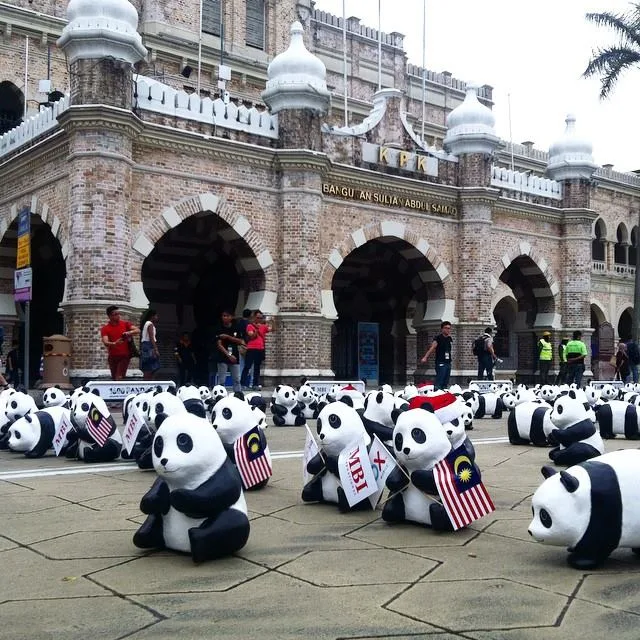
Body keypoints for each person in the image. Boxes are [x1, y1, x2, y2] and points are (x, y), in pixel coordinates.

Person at [100, 305, 140, 381]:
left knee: (119, 377)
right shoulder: (105, 328)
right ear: (110, 316)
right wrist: (115, 343)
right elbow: (105, 342)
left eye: (118, 313)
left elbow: (137, 330)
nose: (118, 316)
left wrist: (128, 332)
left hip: (124, 356)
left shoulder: (125, 324)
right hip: (112, 357)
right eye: (115, 314)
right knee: (114, 378)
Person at [241, 309, 275, 391]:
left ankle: (255, 384)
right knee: (247, 366)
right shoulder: (250, 326)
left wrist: (273, 322)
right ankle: (243, 384)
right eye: (258, 317)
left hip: (260, 349)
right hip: (251, 348)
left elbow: (272, 329)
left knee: (257, 367)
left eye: (261, 318)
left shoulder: (263, 326)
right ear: (254, 317)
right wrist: (257, 329)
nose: (259, 319)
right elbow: (252, 336)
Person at [211, 310, 244, 393]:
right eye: (223, 316)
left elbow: (241, 341)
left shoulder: (236, 327)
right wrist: (229, 355)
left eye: (227, 316)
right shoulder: (219, 328)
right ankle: (220, 395)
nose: (225, 318)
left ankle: (238, 394)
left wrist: (228, 337)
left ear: (231, 317)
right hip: (223, 356)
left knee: (236, 379)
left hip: (235, 356)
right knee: (221, 380)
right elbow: (219, 345)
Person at [420, 321, 453, 390]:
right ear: (442, 329)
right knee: (439, 381)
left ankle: (444, 393)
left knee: (445, 382)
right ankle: (437, 392)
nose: (448, 330)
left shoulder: (449, 339)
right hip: (441, 362)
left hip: (448, 362)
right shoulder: (438, 338)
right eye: (446, 328)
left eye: (449, 328)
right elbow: (432, 348)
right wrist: (425, 357)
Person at [139, 308, 161, 381]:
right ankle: (149, 382)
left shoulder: (146, 323)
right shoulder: (150, 324)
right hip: (149, 345)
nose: (157, 317)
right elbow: (151, 337)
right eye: (156, 316)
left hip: (145, 345)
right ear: (152, 316)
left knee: (149, 366)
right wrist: (156, 349)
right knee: (152, 366)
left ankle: (148, 381)